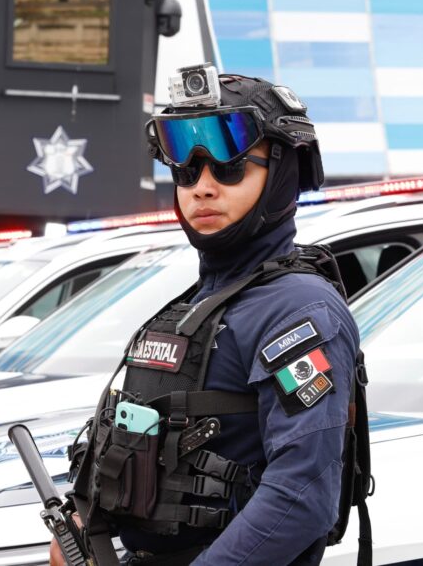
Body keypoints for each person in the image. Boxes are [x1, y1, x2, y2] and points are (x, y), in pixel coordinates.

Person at [60, 67, 368, 566]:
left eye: (231, 168)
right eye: (186, 172)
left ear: (281, 176)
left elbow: (301, 497)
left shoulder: (296, 309)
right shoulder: (201, 301)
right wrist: (82, 519)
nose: (201, 188)